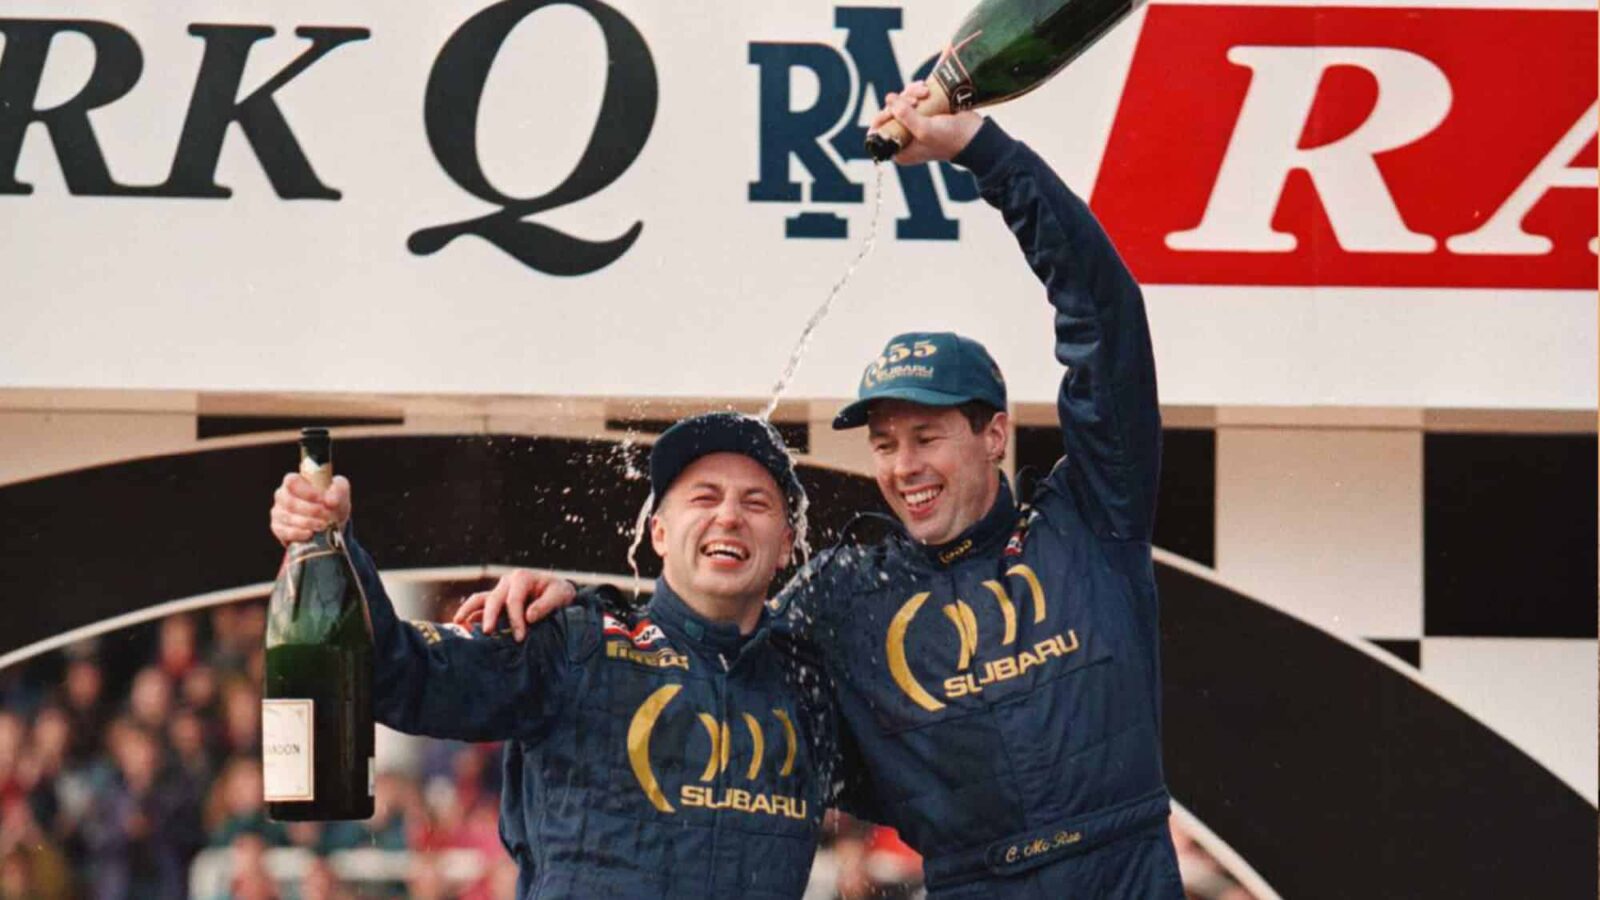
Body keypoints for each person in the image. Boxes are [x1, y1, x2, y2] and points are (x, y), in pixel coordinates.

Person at [464, 84, 1182, 897]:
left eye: (926, 438)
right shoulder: (846, 594)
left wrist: (985, 152)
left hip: (1127, 868)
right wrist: (583, 608)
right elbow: (706, 632)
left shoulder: (1091, 517)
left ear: (993, 436)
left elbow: (1106, 313)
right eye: (883, 444)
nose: (902, 466)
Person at [268, 413, 832, 898]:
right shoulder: (574, 642)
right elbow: (396, 672)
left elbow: (918, 780)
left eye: (755, 502)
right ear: (658, 532)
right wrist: (334, 543)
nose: (729, 516)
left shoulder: (815, 685)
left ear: (786, 543)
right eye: (704, 497)